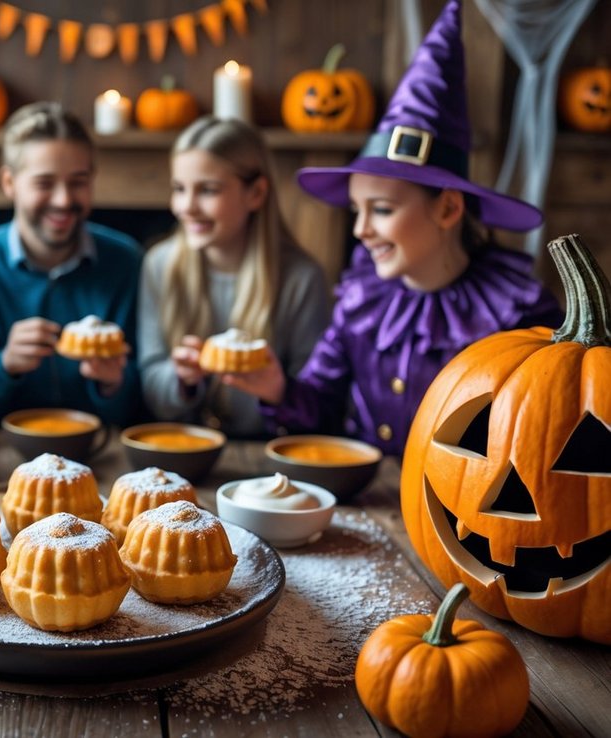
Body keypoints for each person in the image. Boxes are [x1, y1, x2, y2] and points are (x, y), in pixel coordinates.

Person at [237, 0, 563, 455]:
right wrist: (276, 388)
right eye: (357, 210)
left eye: (382, 210)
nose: (361, 230)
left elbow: (548, 430)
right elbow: (321, 410)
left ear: (448, 209)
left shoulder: (517, 312)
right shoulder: (362, 298)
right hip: (369, 490)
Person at [0, 102, 141, 428]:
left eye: (78, 182)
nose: (63, 200)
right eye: (44, 183)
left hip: (98, 445)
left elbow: (141, 397)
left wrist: (113, 383)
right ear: (9, 183)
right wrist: (5, 364)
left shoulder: (125, 261)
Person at [139, 116, 329, 437]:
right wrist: (181, 379)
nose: (187, 206)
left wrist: (279, 391)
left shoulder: (302, 279)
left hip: (264, 454)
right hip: (182, 449)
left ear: (256, 193)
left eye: (208, 190)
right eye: (179, 189)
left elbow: (319, 407)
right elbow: (150, 383)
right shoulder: (160, 265)